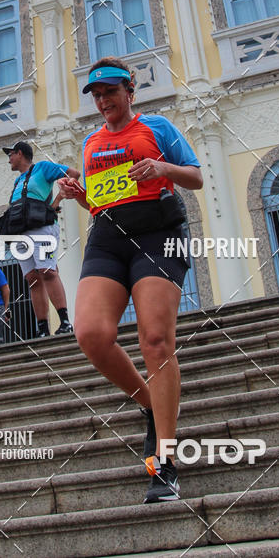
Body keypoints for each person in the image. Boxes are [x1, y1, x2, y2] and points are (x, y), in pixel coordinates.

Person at [58, 57, 203, 503]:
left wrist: (163, 170)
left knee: (155, 340)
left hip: (159, 233)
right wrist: (80, 195)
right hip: (108, 237)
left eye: (110, 92)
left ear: (130, 92)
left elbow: (195, 177)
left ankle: (165, 463)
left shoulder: (158, 127)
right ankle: (150, 405)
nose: (103, 102)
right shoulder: (91, 143)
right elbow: (99, 204)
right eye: (97, 95)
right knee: (90, 333)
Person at [2, 141, 80, 338]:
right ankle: (43, 328)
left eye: (10, 154)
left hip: (42, 228)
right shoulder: (17, 181)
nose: (9, 159)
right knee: (32, 279)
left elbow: (74, 173)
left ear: (20, 153)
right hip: (21, 232)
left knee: (48, 271)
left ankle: (64, 322)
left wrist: (58, 199)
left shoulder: (43, 167)